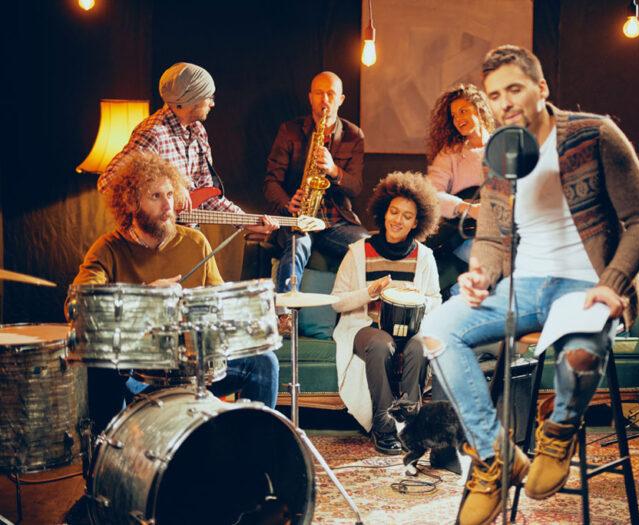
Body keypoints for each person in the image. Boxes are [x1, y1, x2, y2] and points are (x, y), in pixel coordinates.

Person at [419, 45, 639, 525]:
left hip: (588, 285)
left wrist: (613, 283)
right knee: (438, 330)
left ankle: (560, 430)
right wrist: (481, 273)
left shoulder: (595, 134)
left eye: (515, 89)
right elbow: (492, 235)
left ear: (542, 88)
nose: (505, 102)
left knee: (581, 351)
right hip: (525, 285)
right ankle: (495, 457)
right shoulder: (502, 150)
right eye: (495, 95)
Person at [72, 151, 279, 433]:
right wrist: (146, 296)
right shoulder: (108, 248)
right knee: (101, 365)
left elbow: (218, 302)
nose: (168, 205)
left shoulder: (195, 241)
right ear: (131, 202)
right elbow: (82, 305)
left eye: (170, 194)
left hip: (194, 368)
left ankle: (255, 448)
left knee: (264, 361)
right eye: (155, 196)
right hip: (137, 373)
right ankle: (109, 452)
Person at [97, 62, 277, 236]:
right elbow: (108, 181)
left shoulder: (198, 131)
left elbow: (208, 194)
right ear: (191, 100)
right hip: (156, 239)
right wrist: (171, 190)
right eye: (209, 97)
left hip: (186, 236)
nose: (212, 104)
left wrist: (246, 221)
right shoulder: (154, 133)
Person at [331, 172, 441, 455]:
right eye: (394, 212)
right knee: (382, 343)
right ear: (384, 212)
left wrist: (416, 300)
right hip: (366, 329)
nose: (398, 220)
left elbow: (435, 300)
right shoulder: (358, 252)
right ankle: (384, 427)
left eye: (407, 216)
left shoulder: (424, 256)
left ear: (417, 222)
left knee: (420, 347)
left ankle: (410, 426)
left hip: (411, 330)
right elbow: (337, 302)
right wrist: (369, 292)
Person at [264, 71, 369, 333]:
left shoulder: (354, 135)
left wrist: (333, 170)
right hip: (299, 217)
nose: (325, 100)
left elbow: (356, 186)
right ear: (310, 97)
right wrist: (288, 203)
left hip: (335, 222)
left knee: (366, 247)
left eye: (331, 94)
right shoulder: (290, 131)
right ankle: (284, 317)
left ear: (341, 99)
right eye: (319, 93)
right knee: (296, 247)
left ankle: (362, 316)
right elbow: (271, 182)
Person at [425, 83, 495, 264]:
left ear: (479, 110)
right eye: (454, 115)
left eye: (463, 111)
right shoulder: (450, 153)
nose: (458, 119)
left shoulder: (503, 145)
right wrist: (467, 208)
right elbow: (431, 195)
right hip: (465, 235)